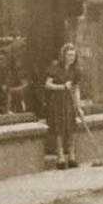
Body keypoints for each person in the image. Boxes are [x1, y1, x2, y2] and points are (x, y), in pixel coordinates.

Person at [44, 42, 84, 170]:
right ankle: (60, 156)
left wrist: (79, 106)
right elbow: (47, 85)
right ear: (64, 55)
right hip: (57, 101)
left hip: (69, 101)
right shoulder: (55, 67)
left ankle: (71, 155)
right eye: (69, 55)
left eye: (73, 55)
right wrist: (62, 87)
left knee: (71, 127)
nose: (71, 58)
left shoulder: (75, 70)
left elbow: (76, 88)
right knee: (59, 128)